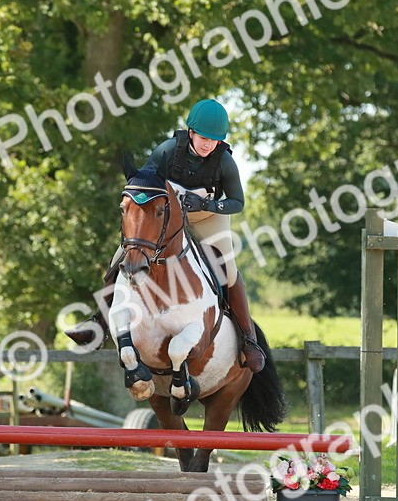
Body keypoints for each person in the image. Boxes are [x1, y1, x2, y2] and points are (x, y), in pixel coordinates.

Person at [64, 98, 266, 372]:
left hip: (208, 217)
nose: (208, 144)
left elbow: (237, 202)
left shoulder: (225, 162)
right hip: (168, 217)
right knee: (121, 255)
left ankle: (248, 339)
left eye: (214, 140)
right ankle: (98, 321)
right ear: (191, 132)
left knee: (228, 269)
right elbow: (143, 181)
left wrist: (206, 204)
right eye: (203, 138)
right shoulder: (168, 150)